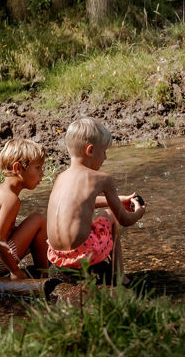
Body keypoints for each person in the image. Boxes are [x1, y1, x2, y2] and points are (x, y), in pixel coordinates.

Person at [46, 117, 145, 281]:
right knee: (111, 216)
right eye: (104, 151)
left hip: (56, 256)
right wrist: (139, 212)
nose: (105, 157)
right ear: (90, 150)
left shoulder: (60, 178)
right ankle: (120, 277)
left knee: (101, 215)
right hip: (82, 255)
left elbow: (80, 202)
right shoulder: (102, 178)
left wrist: (118, 199)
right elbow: (125, 220)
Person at [0, 138, 49, 279]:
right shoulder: (11, 198)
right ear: (18, 168)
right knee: (39, 220)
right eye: (38, 168)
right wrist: (15, 272)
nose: (42, 174)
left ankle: (44, 268)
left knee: (34, 231)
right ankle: (44, 275)